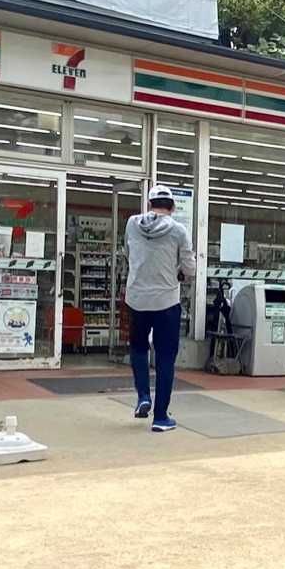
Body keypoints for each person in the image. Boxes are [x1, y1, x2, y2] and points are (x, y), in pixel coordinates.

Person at [126, 185, 196, 432]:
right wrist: (179, 272)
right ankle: (161, 417)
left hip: (136, 299)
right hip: (166, 302)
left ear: (149, 205)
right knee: (166, 357)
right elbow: (190, 268)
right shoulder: (178, 231)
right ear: (173, 207)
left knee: (138, 349)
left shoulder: (132, 223)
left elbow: (129, 253)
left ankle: (143, 395)